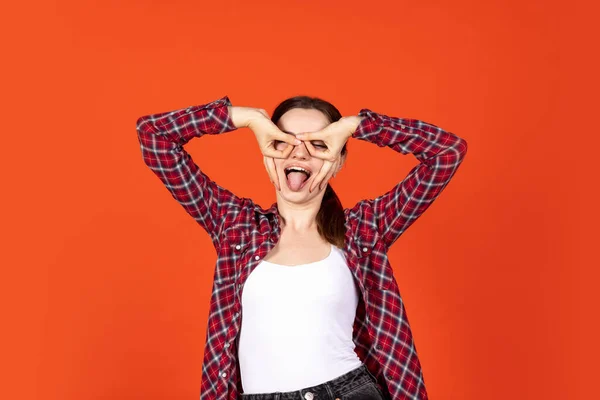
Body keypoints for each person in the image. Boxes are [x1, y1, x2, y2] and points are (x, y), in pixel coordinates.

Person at [136, 95, 468, 400]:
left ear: (338, 160)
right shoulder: (235, 227)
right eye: (283, 141)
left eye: (318, 144)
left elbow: (446, 152)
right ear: (267, 152)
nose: (299, 153)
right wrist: (246, 118)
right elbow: (154, 137)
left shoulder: (364, 229)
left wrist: (356, 126)